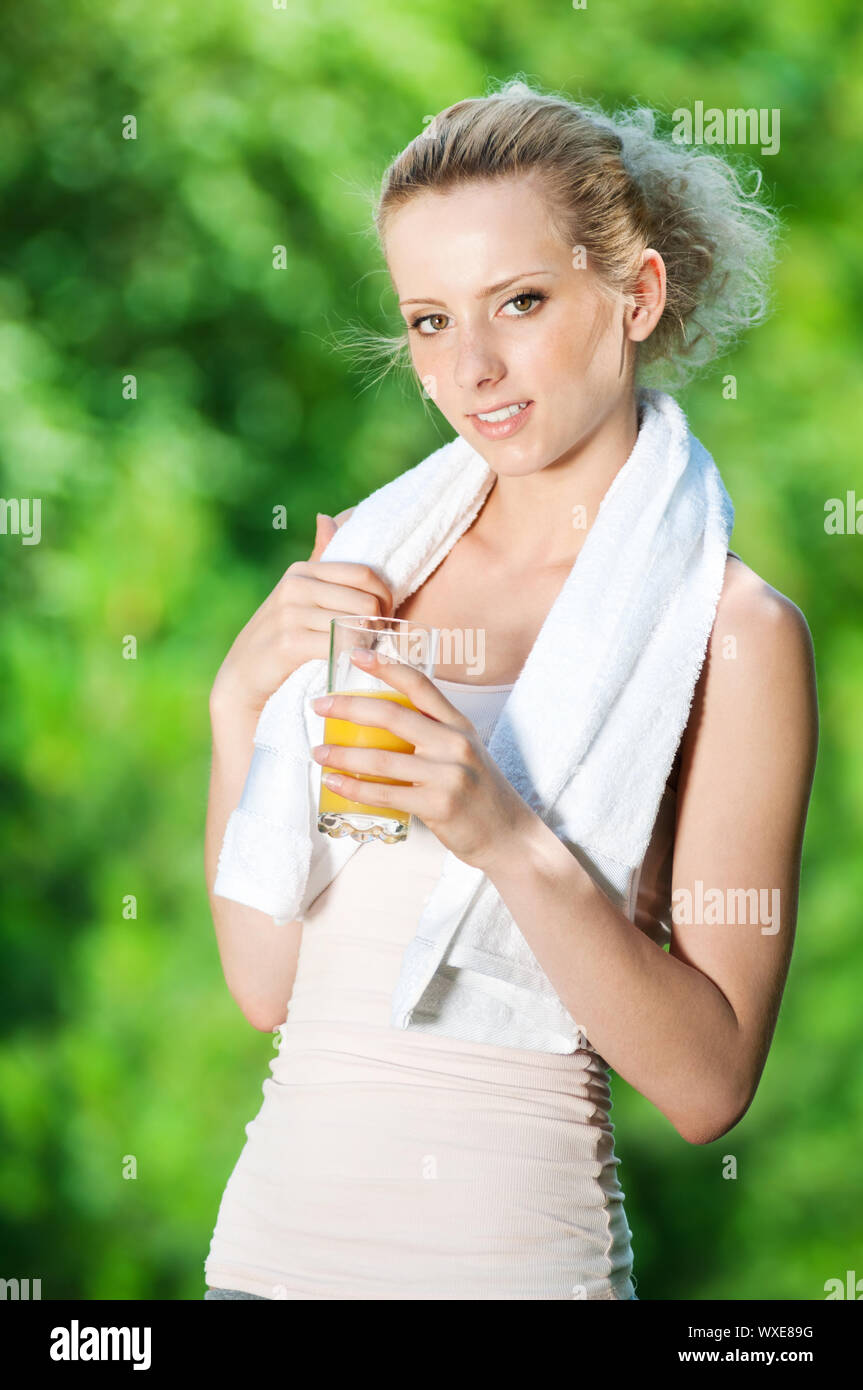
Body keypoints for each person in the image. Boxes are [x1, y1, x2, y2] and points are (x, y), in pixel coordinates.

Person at [201, 78, 818, 1300]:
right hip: (263, 1268)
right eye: (427, 321)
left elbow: (707, 1087)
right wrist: (237, 704)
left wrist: (503, 834)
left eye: (519, 303)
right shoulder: (372, 567)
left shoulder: (735, 633)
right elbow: (264, 987)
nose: (471, 366)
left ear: (633, 295)